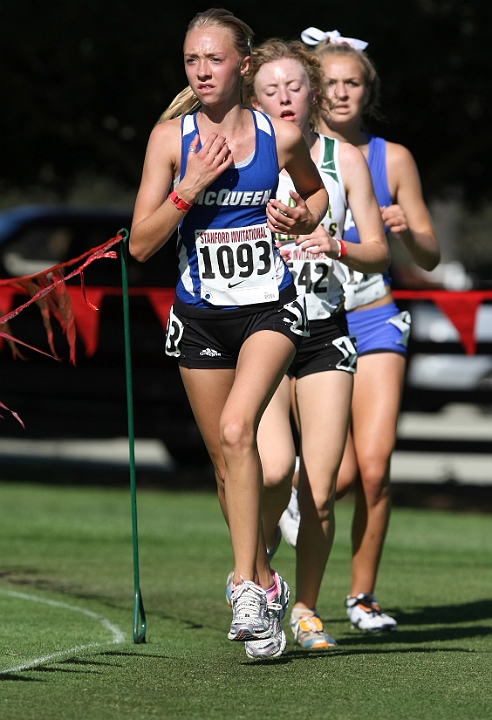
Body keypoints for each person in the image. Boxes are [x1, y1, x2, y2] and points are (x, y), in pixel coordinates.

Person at [129, 9, 328, 660]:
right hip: (200, 313)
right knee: (224, 461)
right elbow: (140, 246)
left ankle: (244, 585)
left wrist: (299, 218)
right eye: (192, 60)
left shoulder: (280, 134)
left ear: (243, 64)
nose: (202, 71)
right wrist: (190, 186)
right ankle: (265, 585)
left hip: (267, 309)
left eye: (213, 59)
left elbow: (315, 196)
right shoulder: (170, 139)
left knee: (241, 430)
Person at [279, 27, 439, 632]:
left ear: (367, 91)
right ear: (312, 89)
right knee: (333, 473)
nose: (341, 92)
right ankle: (280, 522)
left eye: (354, 83)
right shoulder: (288, 150)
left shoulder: (390, 157)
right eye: (332, 82)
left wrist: (404, 229)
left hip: (373, 317)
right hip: (315, 319)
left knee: (374, 466)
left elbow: (429, 254)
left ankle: (362, 597)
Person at [241, 39, 390, 649]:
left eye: (295, 88)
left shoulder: (345, 159)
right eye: (271, 91)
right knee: (274, 468)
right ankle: (255, 570)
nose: (284, 99)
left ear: (313, 92)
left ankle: (304, 608)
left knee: (321, 491)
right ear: (255, 97)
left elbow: (379, 250)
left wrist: (335, 245)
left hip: (327, 330)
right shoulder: (243, 156)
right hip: (261, 328)